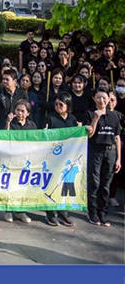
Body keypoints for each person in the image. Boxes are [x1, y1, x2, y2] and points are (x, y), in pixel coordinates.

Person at [85, 88, 121, 227]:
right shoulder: (89, 114)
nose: (102, 101)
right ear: (94, 99)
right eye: (99, 98)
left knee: (105, 185)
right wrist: (96, 118)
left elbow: (117, 138)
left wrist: (118, 159)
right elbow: (89, 135)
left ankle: (103, 213)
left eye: (104, 98)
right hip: (95, 151)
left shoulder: (114, 116)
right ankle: (92, 213)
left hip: (110, 152)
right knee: (94, 183)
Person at [44, 92, 77, 227]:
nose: (57, 106)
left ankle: (63, 213)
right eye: (56, 104)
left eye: (61, 104)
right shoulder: (50, 117)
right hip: (53, 157)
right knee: (52, 184)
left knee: (63, 187)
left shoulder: (72, 119)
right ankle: (50, 214)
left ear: (68, 105)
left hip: (67, 158)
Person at [3, 99, 37, 224]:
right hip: (12, 159)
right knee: (10, 185)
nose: (20, 113)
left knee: (22, 187)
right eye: (17, 110)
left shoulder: (32, 126)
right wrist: (7, 123)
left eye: (22, 111)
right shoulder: (11, 123)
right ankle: (8, 210)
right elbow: (4, 138)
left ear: (28, 113)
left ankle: (20, 211)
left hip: (25, 160)